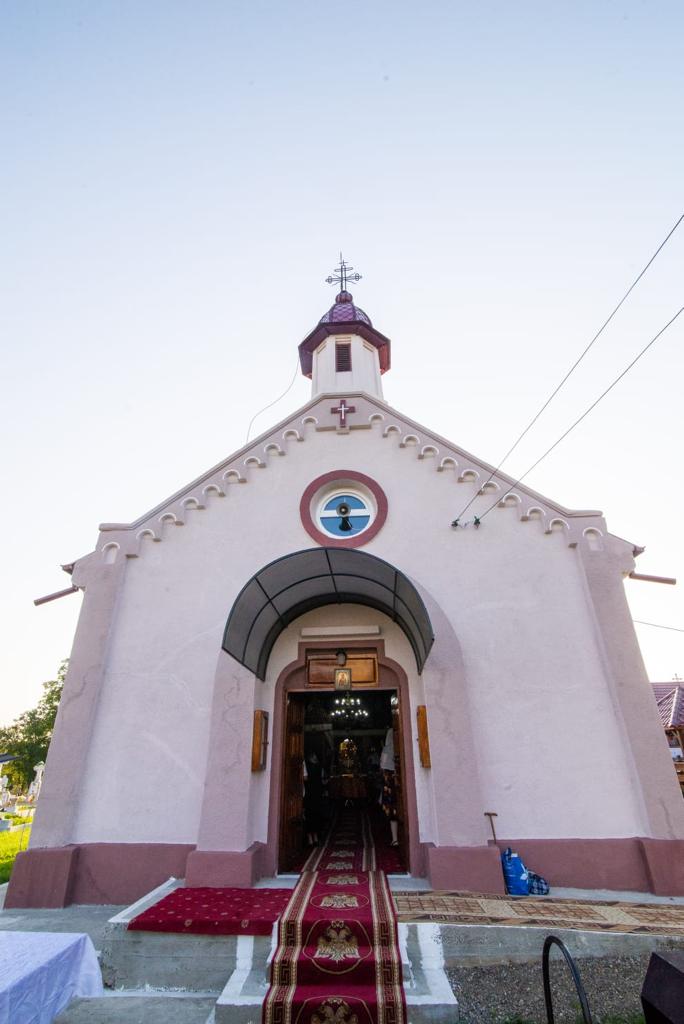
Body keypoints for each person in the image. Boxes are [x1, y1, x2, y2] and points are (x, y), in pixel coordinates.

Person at [380, 729, 399, 846]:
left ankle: (395, 838)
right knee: (397, 809)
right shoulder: (398, 748)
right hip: (397, 785)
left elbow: (382, 766)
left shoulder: (386, 750)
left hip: (390, 786)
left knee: (392, 810)